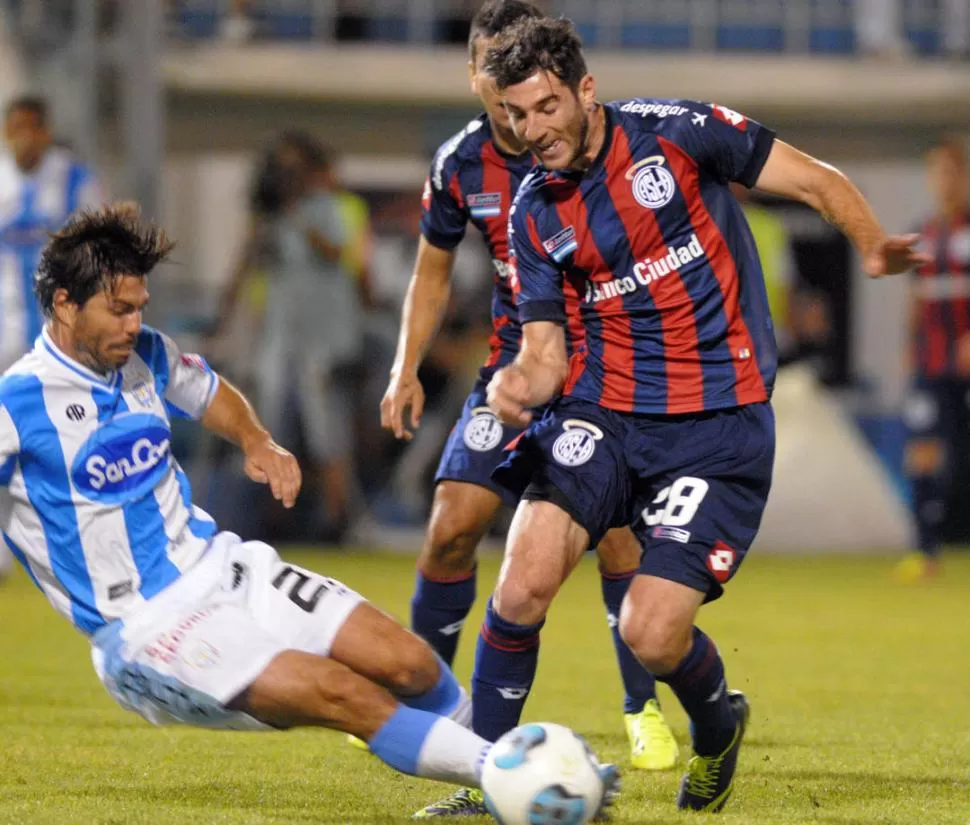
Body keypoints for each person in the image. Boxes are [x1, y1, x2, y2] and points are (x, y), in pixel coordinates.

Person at [477, 16, 927, 813]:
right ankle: (481, 779)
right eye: (515, 115)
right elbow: (546, 352)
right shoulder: (532, 211)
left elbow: (818, 180)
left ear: (585, 90)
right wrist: (518, 380)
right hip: (606, 415)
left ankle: (717, 732)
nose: (531, 130)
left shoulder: (680, 134)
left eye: (544, 107)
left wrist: (870, 246)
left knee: (650, 633)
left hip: (717, 428)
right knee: (519, 586)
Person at [0, 202, 508, 797]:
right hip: (148, 629)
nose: (134, 324)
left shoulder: (148, 356)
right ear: (64, 302)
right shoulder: (18, 403)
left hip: (226, 567)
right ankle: (510, 775)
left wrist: (257, 441)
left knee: (410, 663)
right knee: (346, 694)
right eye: (118, 310)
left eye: (139, 307)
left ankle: (487, 784)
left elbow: (208, 390)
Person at [381, 4, 675, 815]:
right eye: (487, 66)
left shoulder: (586, 142)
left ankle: (640, 706)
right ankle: (429, 702)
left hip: (602, 373)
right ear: (477, 76)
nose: (503, 88)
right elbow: (433, 272)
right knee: (450, 523)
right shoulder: (460, 164)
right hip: (514, 372)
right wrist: (406, 365)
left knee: (614, 533)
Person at [217, 132, 363, 542]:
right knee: (268, 425)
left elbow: (336, 253)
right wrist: (224, 319)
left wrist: (297, 215)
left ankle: (338, 521)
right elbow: (245, 267)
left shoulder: (328, 208)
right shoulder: (268, 219)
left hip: (324, 337)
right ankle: (272, 520)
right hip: (281, 337)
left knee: (326, 431)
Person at [0, 95, 103, 580]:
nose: (21, 138)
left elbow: (102, 250)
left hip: (57, 338)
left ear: (44, 131)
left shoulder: (76, 181)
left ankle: (84, 542)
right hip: (3, 329)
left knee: (67, 436)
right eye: (13, 128)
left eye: (29, 128)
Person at [896, 137, 970, 583]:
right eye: (937, 172)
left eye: (952, 172)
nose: (944, 181)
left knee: (959, 460)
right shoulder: (921, 235)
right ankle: (925, 553)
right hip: (931, 365)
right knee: (922, 453)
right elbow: (914, 301)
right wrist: (908, 352)